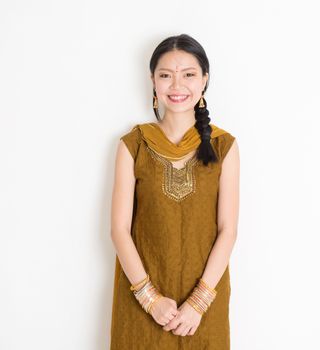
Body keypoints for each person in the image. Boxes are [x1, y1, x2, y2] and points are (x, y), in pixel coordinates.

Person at [110, 33, 240, 349]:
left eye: (189, 75)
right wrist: (149, 298)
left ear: (205, 80)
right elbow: (119, 231)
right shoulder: (134, 145)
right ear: (153, 81)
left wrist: (198, 303)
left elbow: (228, 231)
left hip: (203, 308)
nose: (177, 85)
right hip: (141, 303)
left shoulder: (224, 146)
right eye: (166, 75)